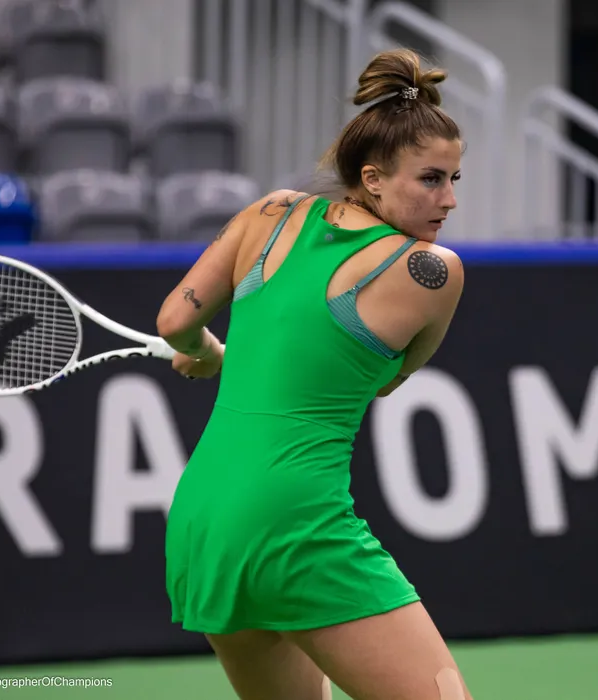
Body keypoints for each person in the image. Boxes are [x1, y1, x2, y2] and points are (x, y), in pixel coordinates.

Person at [156, 47, 471, 700]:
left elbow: (174, 322)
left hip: (203, 522)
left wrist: (208, 353)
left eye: (453, 180)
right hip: (295, 524)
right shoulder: (432, 271)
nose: (448, 200)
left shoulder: (271, 212)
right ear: (373, 178)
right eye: (431, 179)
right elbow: (380, 380)